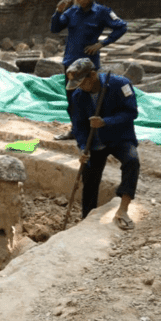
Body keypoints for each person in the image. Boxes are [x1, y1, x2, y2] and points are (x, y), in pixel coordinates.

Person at [67, 58, 139, 230]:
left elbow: (131, 112)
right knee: (90, 179)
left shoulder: (120, 84)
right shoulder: (78, 96)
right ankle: (86, 219)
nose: (79, 87)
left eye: (82, 82)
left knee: (132, 161)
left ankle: (123, 210)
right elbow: (79, 126)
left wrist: (106, 121)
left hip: (120, 137)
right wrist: (83, 147)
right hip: (95, 142)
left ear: (93, 75)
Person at [51, 0, 127, 140]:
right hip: (70, 63)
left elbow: (121, 27)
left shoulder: (102, 12)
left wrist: (101, 43)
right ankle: (75, 130)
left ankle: (94, 133)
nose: (82, 0)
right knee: (72, 99)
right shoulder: (71, 11)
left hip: (88, 65)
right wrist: (58, 12)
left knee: (90, 99)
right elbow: (55, 28)